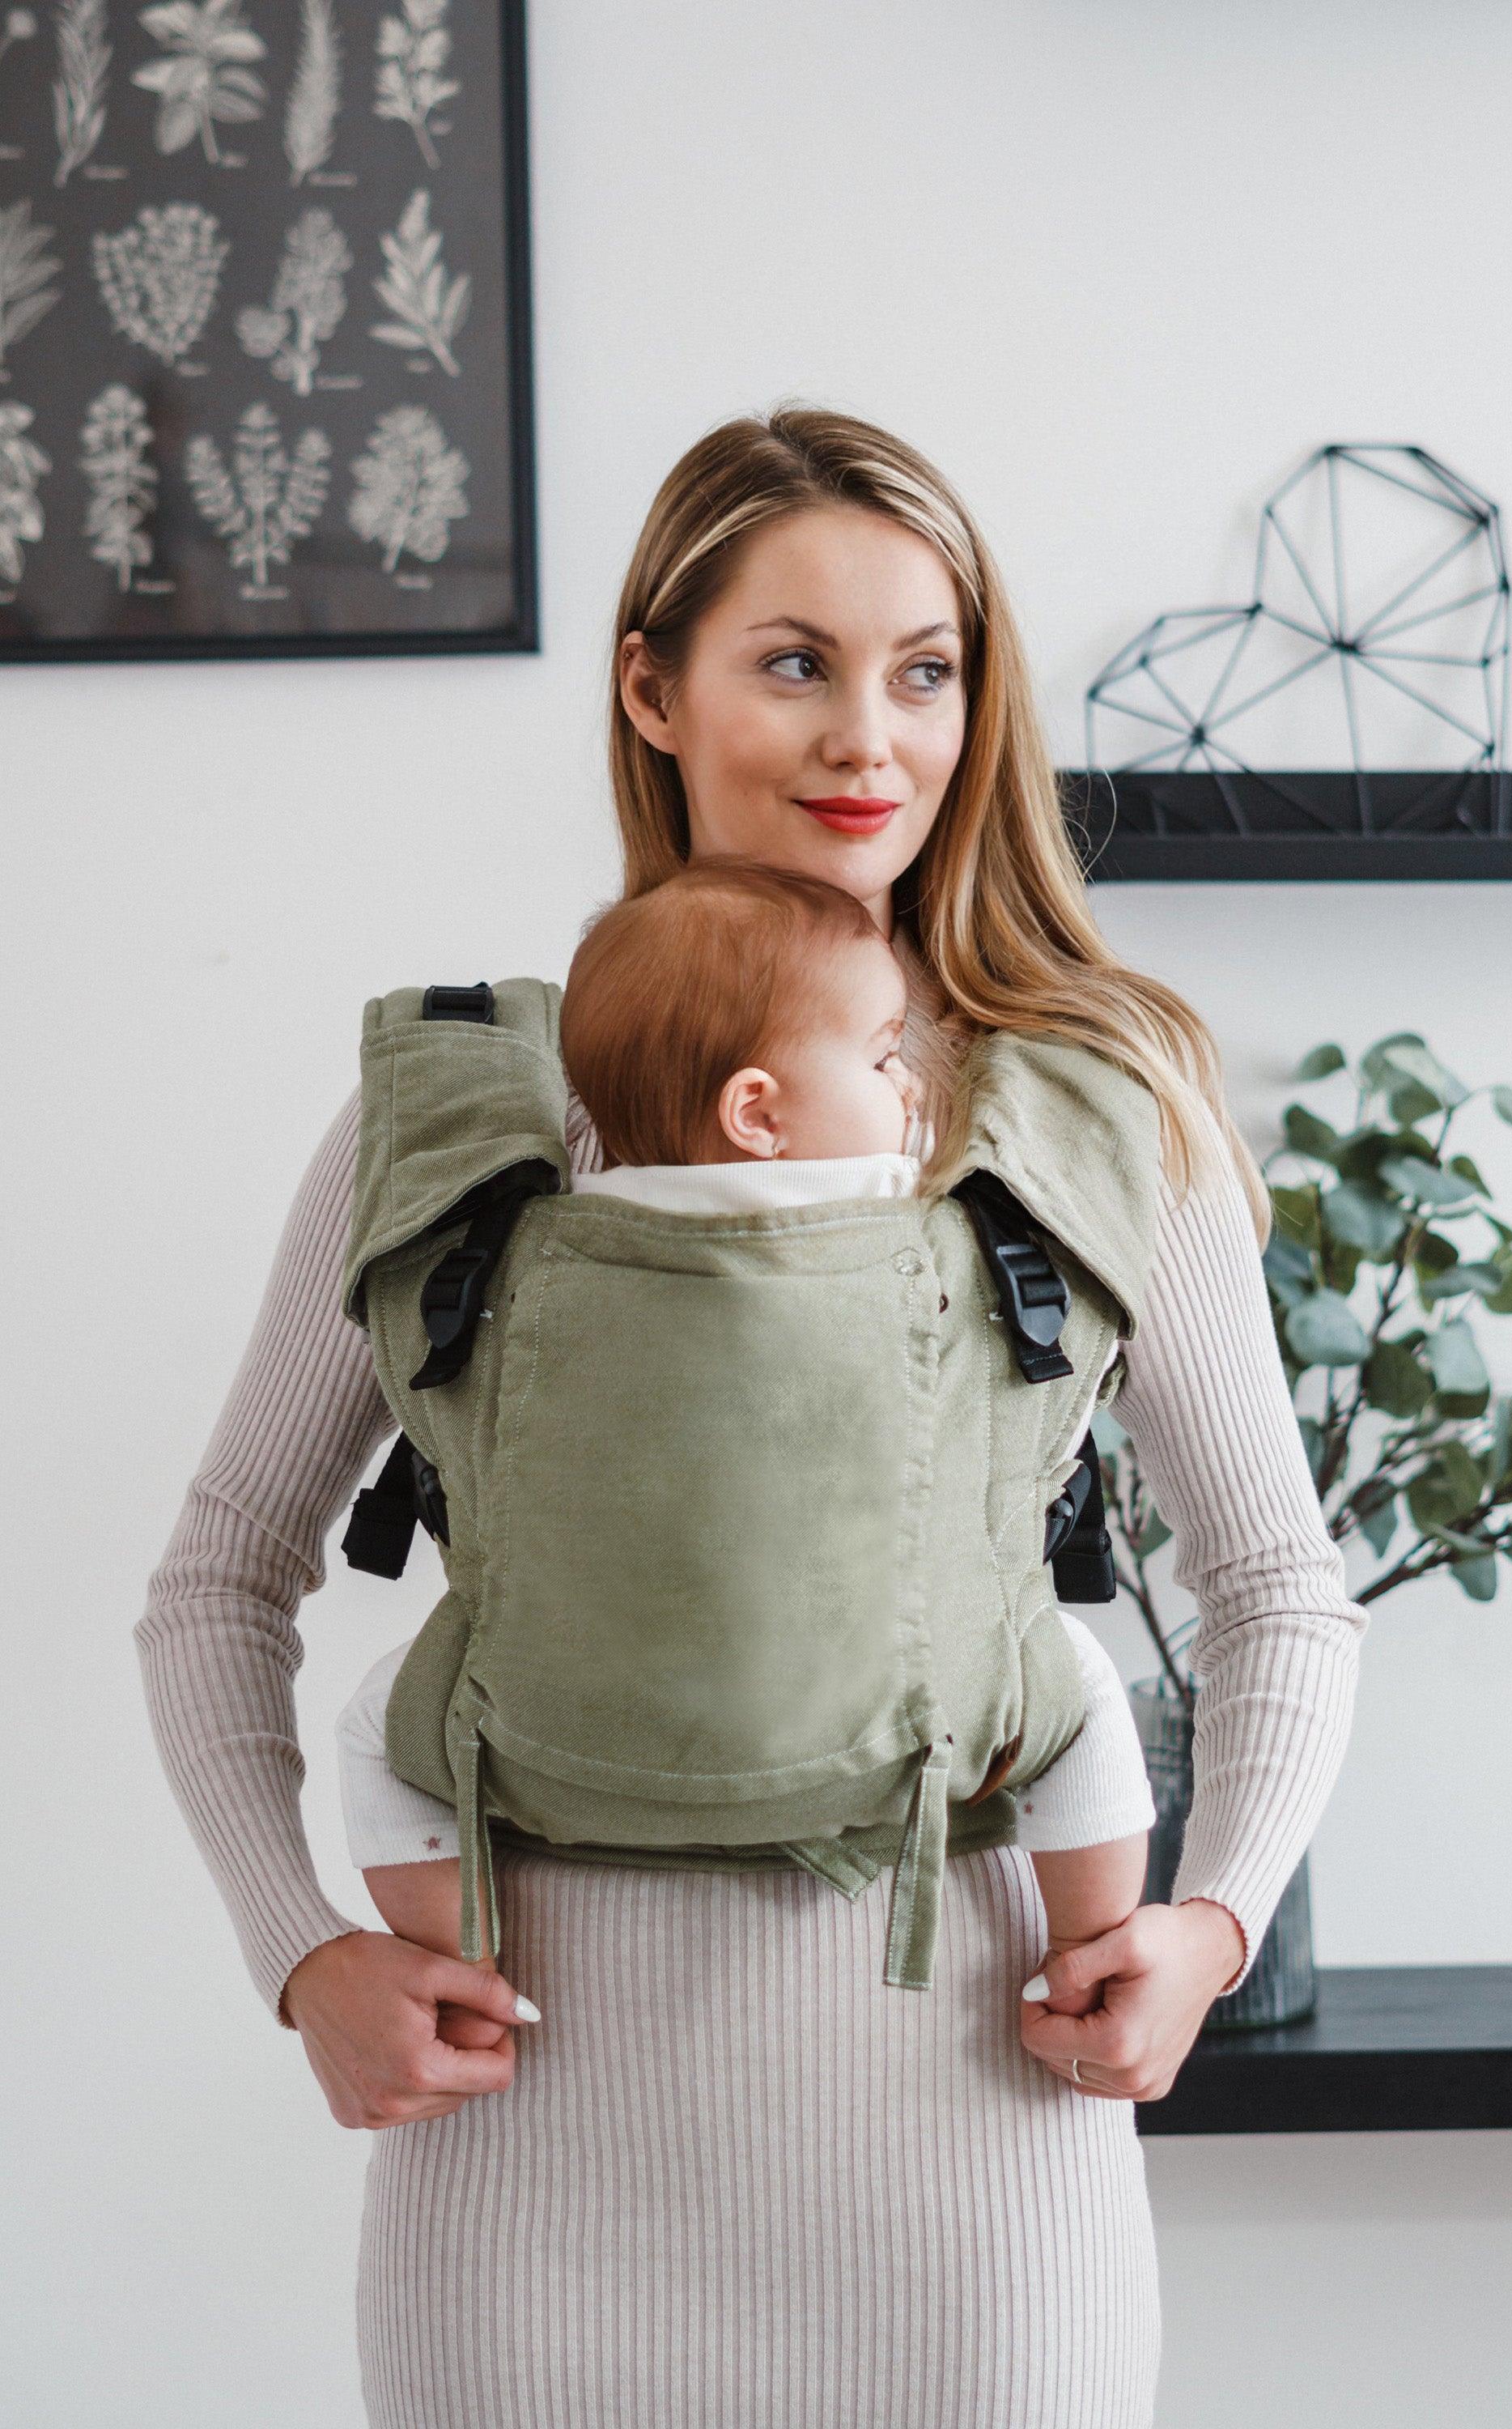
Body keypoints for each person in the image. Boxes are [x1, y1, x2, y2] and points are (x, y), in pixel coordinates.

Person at [136, 403, 1367, 2429]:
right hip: (531, 2181)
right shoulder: (449, 1116)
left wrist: (1210, 1921)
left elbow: (1278, 1590)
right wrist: (301, 1952)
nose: (866, 739)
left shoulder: (1095, 1105)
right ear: (653, 686)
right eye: (791, 662)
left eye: (926, 669)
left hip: (977, 2171)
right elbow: (217, 1585)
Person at [332, 857, 1157, 1992]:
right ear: (758, 1114)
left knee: (380, 1724)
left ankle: (455, 1959)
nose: (910, 1091)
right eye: (882, 1058)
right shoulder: (918, 1220)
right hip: (925, 1738)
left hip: (542, 1742)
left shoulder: (514, 1254)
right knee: (1082, 1690)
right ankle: (1094, 1946)